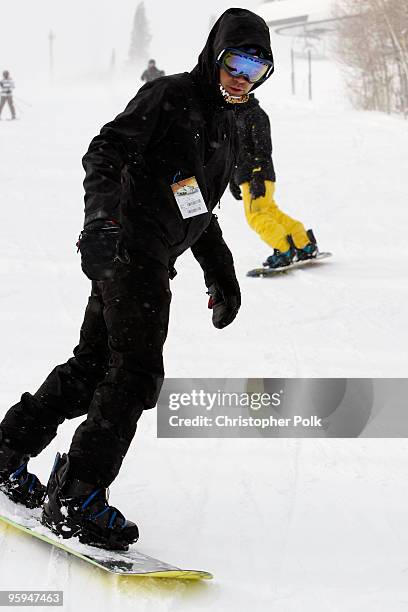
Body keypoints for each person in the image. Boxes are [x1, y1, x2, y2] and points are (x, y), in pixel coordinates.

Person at [0, 9, 274, 551]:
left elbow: (196, 203)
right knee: (136, 374)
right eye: (235, 61)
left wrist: (219, 271)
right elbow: (105, 150)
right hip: (129, 253)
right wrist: (99, 220)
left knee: (92, 368)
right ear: (214, 56)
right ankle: (77, 496)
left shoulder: (228, 123)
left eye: (257, 66)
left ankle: (7, 449)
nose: (243, 75)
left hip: (147, 258)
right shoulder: (170, 96)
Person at [230, 94, 318, 268]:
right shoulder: (236, 117)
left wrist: (257, 175)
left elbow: (263, 147)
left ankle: (283, 249)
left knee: (256, 216)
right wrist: (232, 179)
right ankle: (303, 244)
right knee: (270, 212)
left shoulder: (254, 114)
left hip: (256, 176)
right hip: (250, 176)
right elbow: (236, 152)